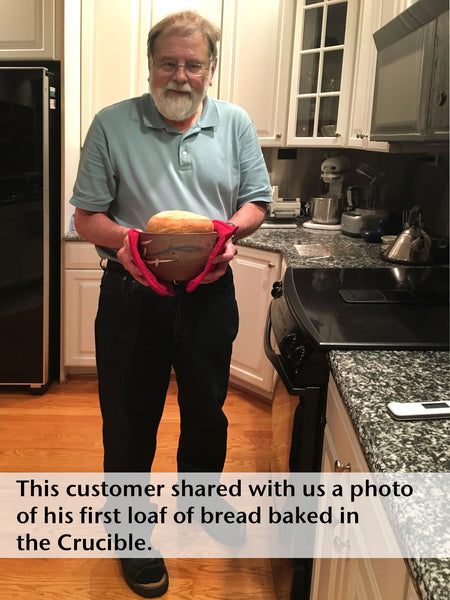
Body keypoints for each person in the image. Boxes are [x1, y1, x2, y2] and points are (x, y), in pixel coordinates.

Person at [70, 9, 272, 598]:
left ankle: (203, 505)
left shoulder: (235, 123)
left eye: (193, 64)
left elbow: (258, 200)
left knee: (208, 411)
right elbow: (86, 216)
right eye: (169, 63)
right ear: (151, 64)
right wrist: (129, 243)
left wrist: (226, 235)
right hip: (133, 296)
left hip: (210, 296)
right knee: (131, 419)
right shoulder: (112, 124)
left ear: (210, 68)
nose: (180, 76)